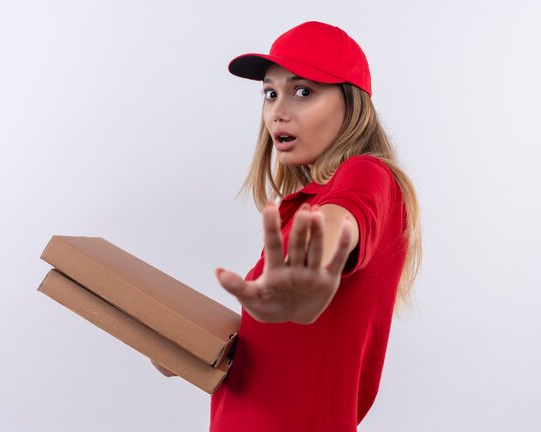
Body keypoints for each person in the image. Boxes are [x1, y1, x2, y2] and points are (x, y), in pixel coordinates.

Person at [155, 21, 422, 431]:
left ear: (351, 104)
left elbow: (344, 222)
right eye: (270, 93)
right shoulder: (299, 208)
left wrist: (321, 242)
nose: (278, 111)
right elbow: (280, 358)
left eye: (303, 91)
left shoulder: (368, 174)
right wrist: (190, 346)